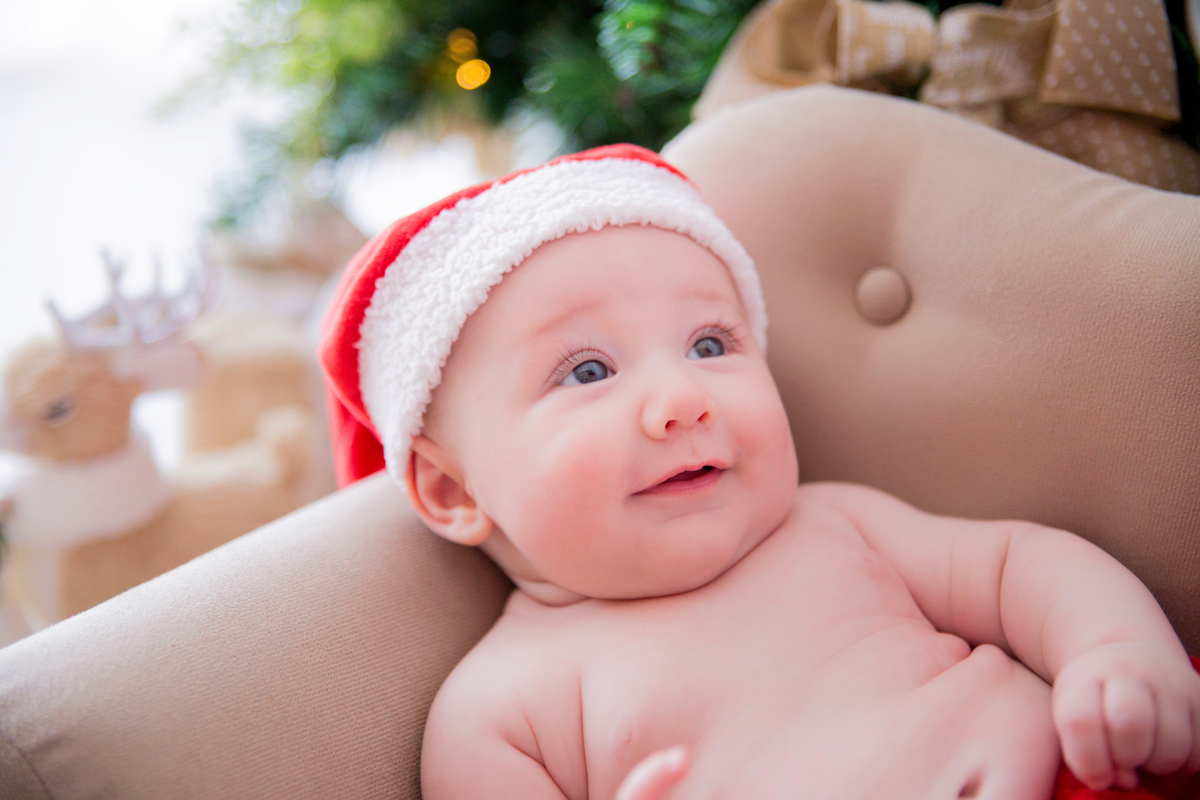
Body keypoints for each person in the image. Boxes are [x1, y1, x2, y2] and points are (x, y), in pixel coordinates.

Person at [319, 145, 1200, 800]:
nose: (682, 397)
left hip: (1075, 772)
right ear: (452, 489)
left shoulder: (832, 524)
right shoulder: (499, 712)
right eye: (588, 371)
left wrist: (1114, 651)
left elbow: (1020, 567)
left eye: (711, 344)